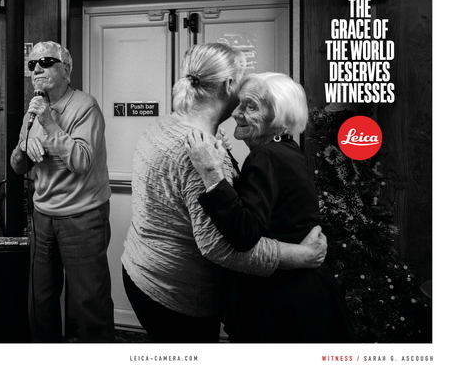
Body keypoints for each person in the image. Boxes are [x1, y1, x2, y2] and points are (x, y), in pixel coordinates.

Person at [121, 43, 328, 343]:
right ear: (230, 84)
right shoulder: (198, 152)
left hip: (142, 270)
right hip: (177, 291)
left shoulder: (168, 123)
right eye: (242, 79)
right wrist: (301, 256)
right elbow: (219, 248)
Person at [186, 72, 356, 342]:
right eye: (239, 103)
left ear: (278, 118)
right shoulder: (286, 149)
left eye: (251, 107)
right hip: (305, 291)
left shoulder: (265, 155)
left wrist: (211, 172)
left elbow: (244, 234)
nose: (236, 113)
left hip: (284, 302)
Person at [10, 41, 114, 342]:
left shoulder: (85, 106)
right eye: (32, 64)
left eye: (46, 62)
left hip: (82, 216)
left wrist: (48, 122)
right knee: (40, 300)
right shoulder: (33, 109)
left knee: (90, 302)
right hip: (43, 216)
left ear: (66, 69)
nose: (37, 69)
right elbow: (18, 167)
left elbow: (80, 161)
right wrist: (23, 149)